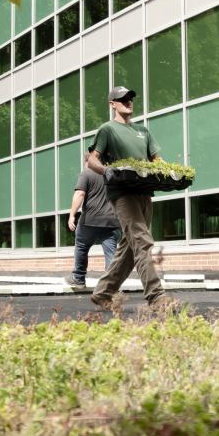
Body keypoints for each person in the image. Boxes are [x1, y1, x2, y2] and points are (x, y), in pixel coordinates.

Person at [86, 86, 179, 311]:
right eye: (122, 99)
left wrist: (173, 172)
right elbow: (93, 160)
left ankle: (103, 292)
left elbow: (156, 160)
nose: (128, 101)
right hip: (122, 194)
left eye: (130, 98)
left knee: (130, 247)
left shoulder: (143, 131)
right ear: (112, 104)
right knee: (142, 241)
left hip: (144, 192)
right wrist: (105, 171)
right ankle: (157, 297)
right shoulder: (107, 129)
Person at [66, 152, 121, 288]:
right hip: (112, 222)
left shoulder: (87, 173)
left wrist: (72, 214)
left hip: (90, 220)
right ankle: (110, 285)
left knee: (81, 246)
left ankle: (78, 279)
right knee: (111, 253)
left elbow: (80, 193)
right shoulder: (114, 174)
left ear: (89, 161)